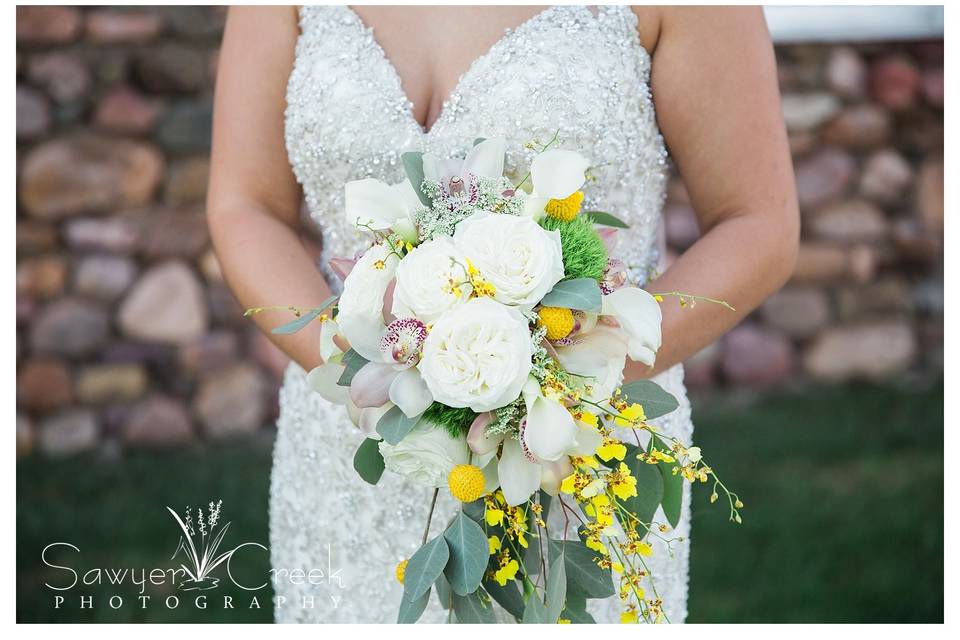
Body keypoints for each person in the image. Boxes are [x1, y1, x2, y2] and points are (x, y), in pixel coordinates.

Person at [207, 5, 798, 623]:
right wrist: (364, 374)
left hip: (570, 453)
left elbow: (758, 224)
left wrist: (548, 386)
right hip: (349, 448)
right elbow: (245, 206)